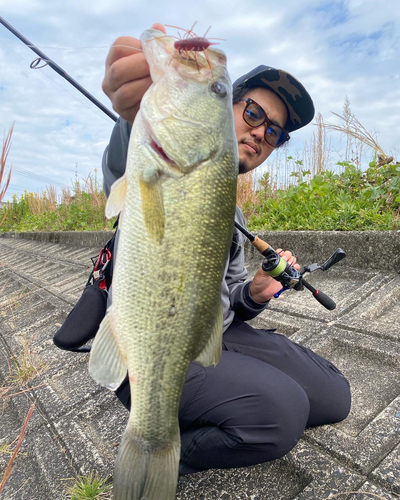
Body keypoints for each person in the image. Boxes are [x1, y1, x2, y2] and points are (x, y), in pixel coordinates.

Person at [101, 23, 351, 475]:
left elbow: (226, 298)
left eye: (274, 132)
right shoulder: (157, 157)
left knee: (335, 395)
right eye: (252, 112)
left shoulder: (229, 210)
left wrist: (253, 294)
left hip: (212, 336)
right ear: (227, 108)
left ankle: (225, 393)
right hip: (149, 344)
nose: (261, 133)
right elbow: (126, 161)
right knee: (282, 414)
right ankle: (156, 453)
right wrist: (132, 112)